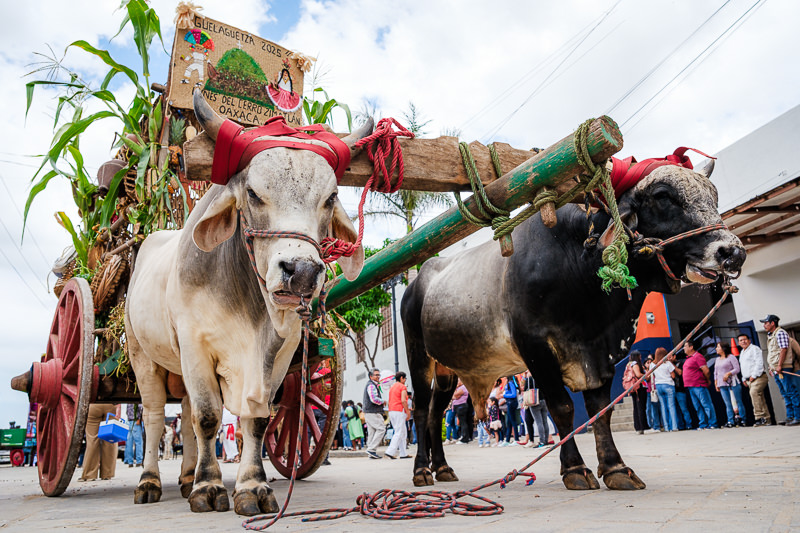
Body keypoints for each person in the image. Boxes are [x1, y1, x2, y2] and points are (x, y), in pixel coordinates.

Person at [761, 314, 800, 425]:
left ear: (772, 323)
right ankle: (790, 417)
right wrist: (771, 367)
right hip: (776, 369)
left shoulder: (780, 333)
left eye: (766, 323)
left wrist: (779, 365)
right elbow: (774, 353)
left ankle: (797, 416)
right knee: (785, 393)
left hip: (782, 368)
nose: (764, 325)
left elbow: (783, 349)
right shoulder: (771, 335)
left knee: (791, 392)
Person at [682, 340, 718, 429]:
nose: (684, 348)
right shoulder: (688, 358)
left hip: (699, 385)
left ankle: (713, 423)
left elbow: (706, 370)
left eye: (685, 346)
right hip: (690, 386)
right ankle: (703, 424)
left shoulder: (698, 356)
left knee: (706, 404)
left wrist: (707, 380)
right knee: (697, 406)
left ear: (691, 347)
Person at [79, 403, 119, 481]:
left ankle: (89, 474)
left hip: (93, 405)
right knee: (109, 439)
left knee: (92, 440)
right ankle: (107, 473)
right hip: (111, 405)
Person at [738, 333, 770, 426]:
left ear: (749, 340)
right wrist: (744, 378)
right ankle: (767, 420)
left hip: (759, 377)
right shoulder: (742, 352)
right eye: (741, 340)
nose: (743, 341)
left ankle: (759, 417)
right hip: (749, 380)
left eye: (745, 339)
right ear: (738, 343)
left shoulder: (754, 349)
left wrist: (754, 375)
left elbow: (759, 363)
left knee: (754, 393)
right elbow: (743, 367)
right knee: (760, 398)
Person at [714, 341, 745, 428]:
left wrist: (728, 373)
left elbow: (737, 369)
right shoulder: (717, 359)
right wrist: (716, 383)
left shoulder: (731, 357)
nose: (716, 348)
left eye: (718, 347)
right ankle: (730, 421)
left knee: (738, 401)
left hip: (733, 383)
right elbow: (715, 373)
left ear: (723, 348)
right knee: (727, 403)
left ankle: (742, 419)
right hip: (722, 384)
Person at [385, 372, 412, 459]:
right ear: (401, 378)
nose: (405, 380)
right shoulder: (402, 387)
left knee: (402, 432)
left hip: (392, 410)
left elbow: (390, 400)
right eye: (405, 379)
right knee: (399, 432)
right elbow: (403, 400)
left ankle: (403, 453)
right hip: (399, 410)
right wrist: (408, 411)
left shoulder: (392, 387)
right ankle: (390, 451)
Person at [652, 347, 679, 431]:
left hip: (658, 385)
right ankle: (674, 427)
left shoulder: (653, 365)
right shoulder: (668, 364)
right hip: (668, 384)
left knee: (663, 407)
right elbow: (673, 375)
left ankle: (666, 427)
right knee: (671, 406)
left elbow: (653, 376)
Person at [521, 370, 551, 447]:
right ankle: (546, 440)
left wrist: (526, 377)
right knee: (545, 422)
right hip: (544, 400)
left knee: (539, 422)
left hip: (534, 401)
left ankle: (541, 442)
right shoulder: (542, 378)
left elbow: (525, 389)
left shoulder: (530, 379)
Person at [363, 368, 386, 459]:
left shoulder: (371, 384)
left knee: (372, 432)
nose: (378, 376)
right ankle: (371, 450)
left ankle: (371, 453)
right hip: (373, 411)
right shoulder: (371, 385)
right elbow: (374, 399)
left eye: (378, 375)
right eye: (376, 375)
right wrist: (383, 401)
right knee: (381, 429)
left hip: (369, 411)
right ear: (371, 376)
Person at [625, 351, 648, 434]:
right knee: (640, 407)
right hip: (639, 387)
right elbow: (638, 374)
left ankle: (638, 427)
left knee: (636, 407)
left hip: (633, 387)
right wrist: (646, 374)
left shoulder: (628, 364)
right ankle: (641, 426)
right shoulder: (635, 364)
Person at [673, 356, 694, 430]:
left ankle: (689, 424)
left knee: (684, 409)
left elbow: (680, 372)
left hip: (680, 389)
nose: (668, 359)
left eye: (669, 357)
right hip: (672, 390)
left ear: (674, 356)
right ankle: (680, 426)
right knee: (676, 410)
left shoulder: (681, 362)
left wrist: (672, 365)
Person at [500, 375, 521, 446]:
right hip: (510, 403)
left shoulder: (511, 383)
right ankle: (507, 439)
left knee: (513, 421)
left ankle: (516, 439)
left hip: (511, 403)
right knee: (509, 422)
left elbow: (513, 394)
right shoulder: (510, 383)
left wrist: (504, 395)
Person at [644, 356, 662, 432]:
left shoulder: (656, 369)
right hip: (649, 391)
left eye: (650, 362)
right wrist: (648, 370)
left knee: (657, 408)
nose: (649, 363)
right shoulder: (645, 371)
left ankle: (658, 425)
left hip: (655, 390)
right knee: (649, 409)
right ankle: (651, 425)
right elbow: (647, 378)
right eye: (647, 362)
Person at [451, 378, 470, 444]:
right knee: (461, 423)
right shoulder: (458, 388)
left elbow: (455, 396)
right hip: (458, 407)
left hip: (461, 406)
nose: (457, 383)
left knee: (463, 422)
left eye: (458, 381)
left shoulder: (463, 387)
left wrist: (454, 395)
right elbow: (453, 397)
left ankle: (465, 439)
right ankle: (463, 436)